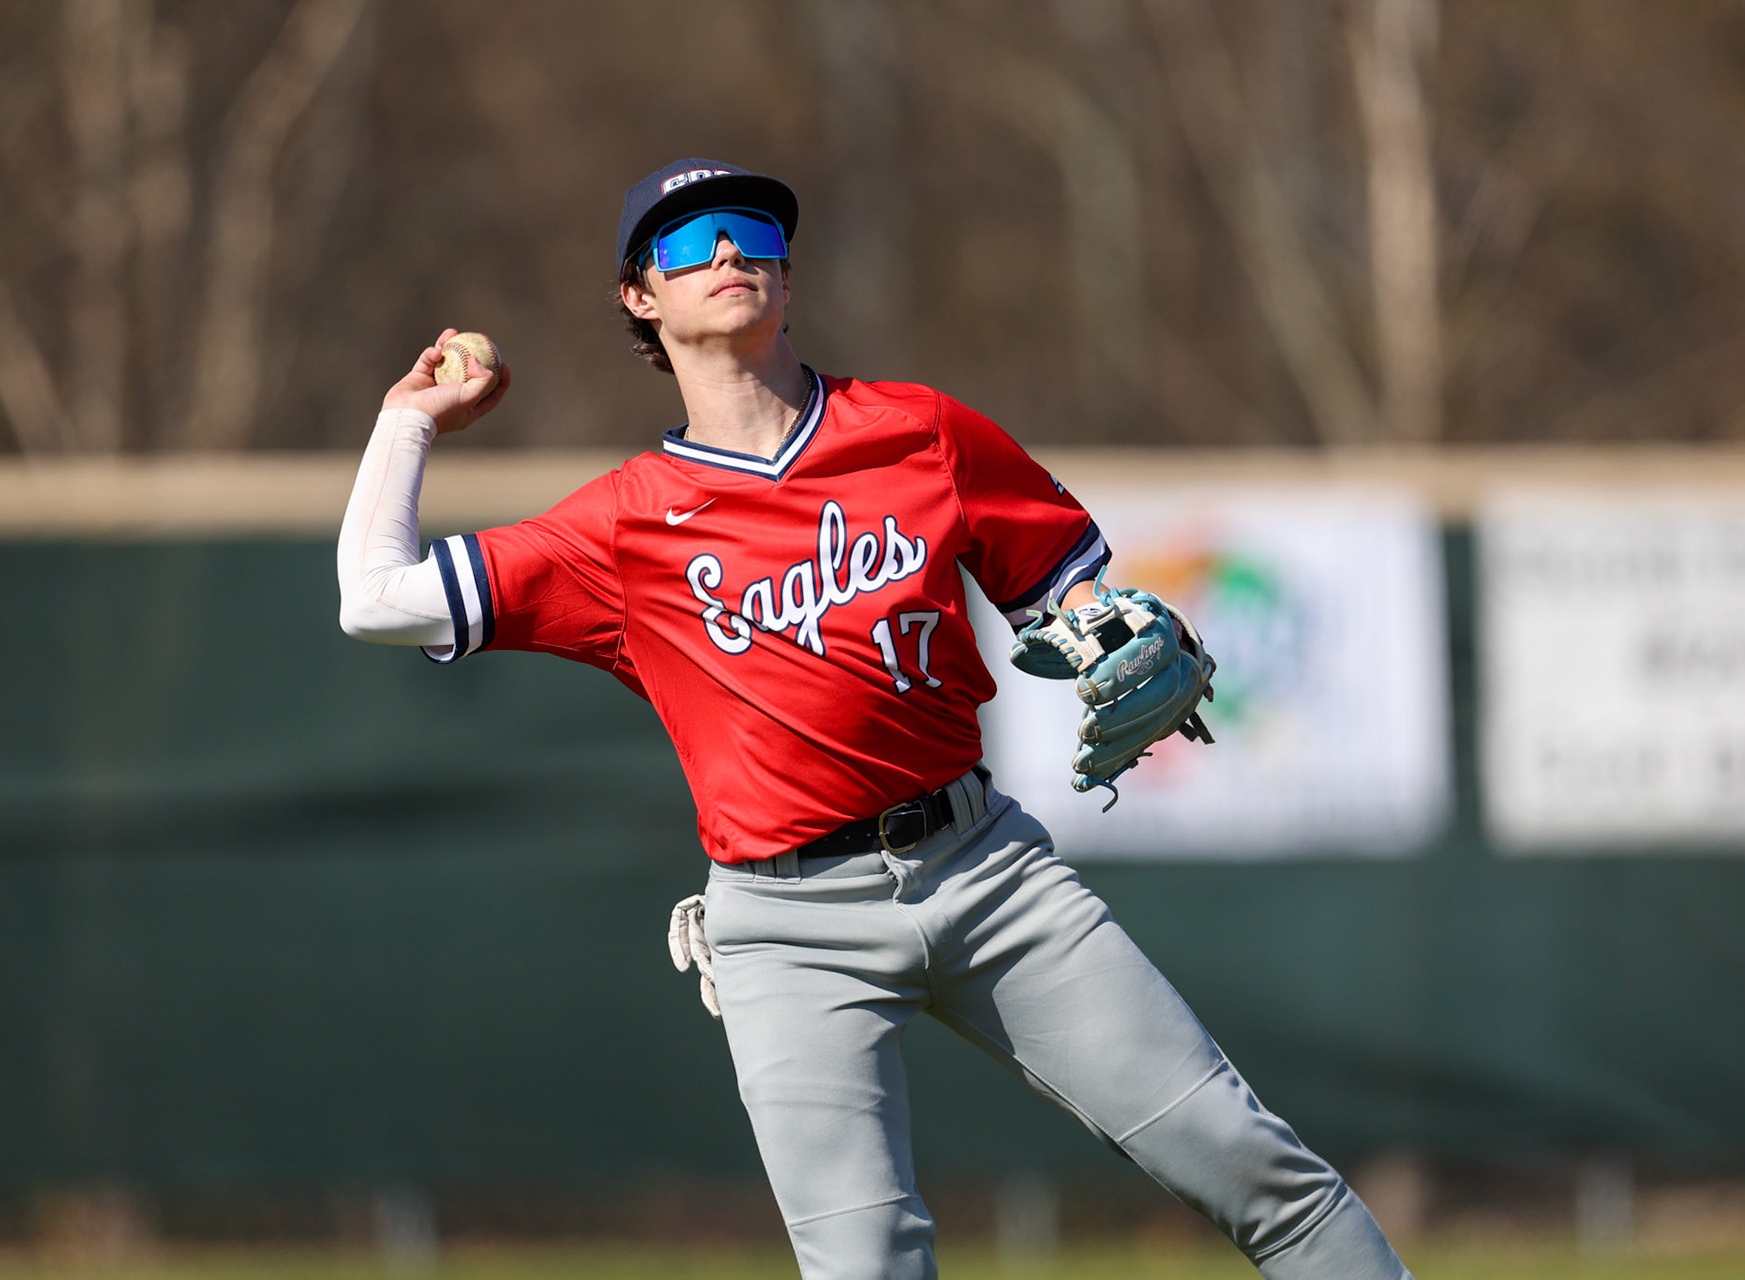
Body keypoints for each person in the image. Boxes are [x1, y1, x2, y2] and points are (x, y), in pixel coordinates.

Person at [337, 158, 1411, 1280]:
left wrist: (1111, 625)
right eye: (687, 239)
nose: (726, 253)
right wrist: (406, 418)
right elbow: (376, 597)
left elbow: (1068, 589)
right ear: (638, 299)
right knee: (867, 1268)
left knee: (1251, 1165)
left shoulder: (921, 432)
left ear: (788, 278)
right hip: (785, 926)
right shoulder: (622, 524)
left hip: (988, 872)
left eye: (750, 230)